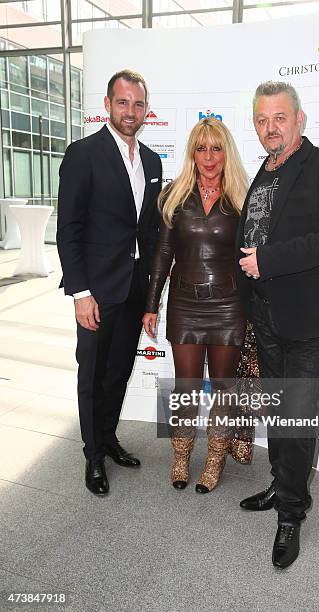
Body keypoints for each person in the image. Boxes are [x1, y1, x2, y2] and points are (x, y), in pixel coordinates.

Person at [237, 81, 319, 568]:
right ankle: (280, 483)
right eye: (262, 120)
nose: (271, 127)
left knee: (296, 414)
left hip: (308, 318)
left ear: (300, 119)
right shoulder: (262, 174)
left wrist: (267, 260)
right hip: (265, 315)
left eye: (279, 118)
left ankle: (292, 512)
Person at [57, 69, 162, 496]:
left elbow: (151, 230)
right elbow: (69, 230)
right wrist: (81, 293)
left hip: (135, 287)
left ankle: (108, 437)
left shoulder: (152, 161)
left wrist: (152, 293)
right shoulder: (83, 154)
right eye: (123, 103)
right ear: (107, 105)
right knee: (93, 374)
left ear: (146, 110)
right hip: (96, 291)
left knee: (119, 371)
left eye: (138, 104)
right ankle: (93, 455)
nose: (130, 111)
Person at [143, 117, 248, 493]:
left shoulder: (241, 196)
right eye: (201, 148)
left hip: (228, 306)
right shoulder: (175, 194)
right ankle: (181, 458)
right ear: (192, 152)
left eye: (216, 148)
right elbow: (164, 252)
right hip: (185, 304)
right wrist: (152, 304)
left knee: (223, 388)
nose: (209, 156)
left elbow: (253, 257)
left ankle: (215, 461)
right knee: (186, 387)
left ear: (226, 153)